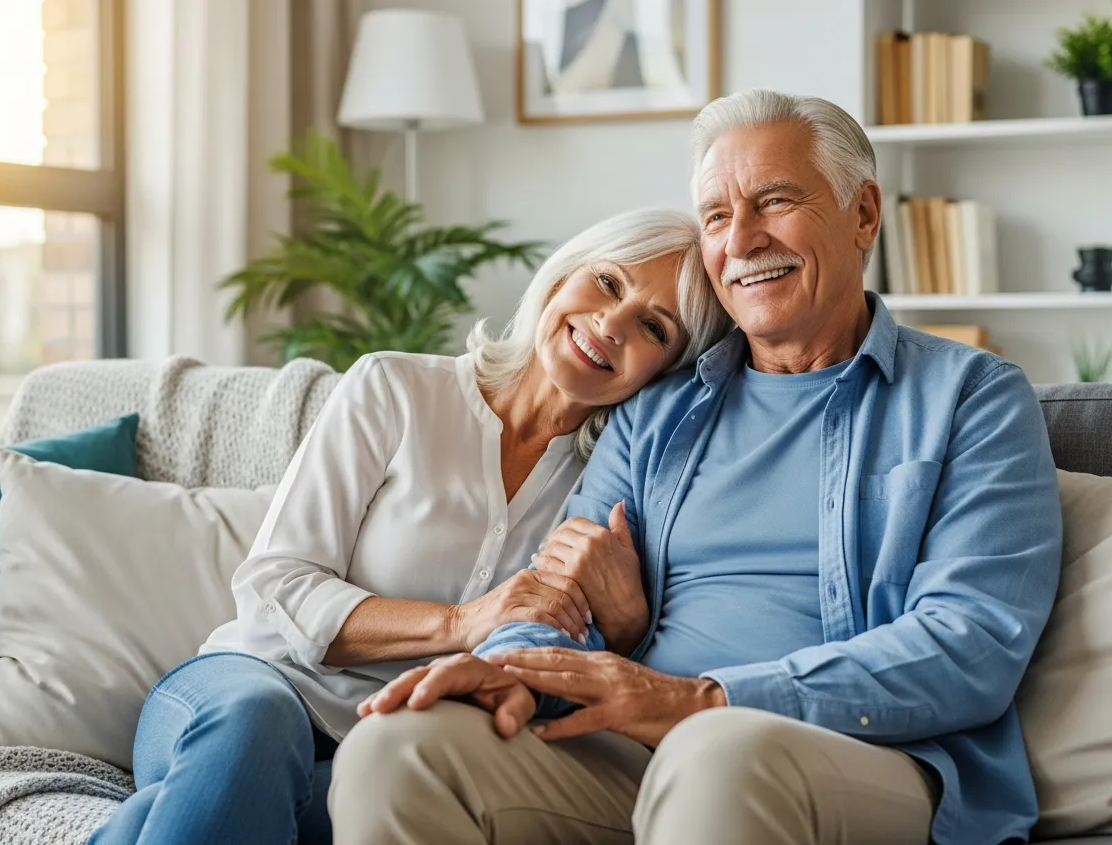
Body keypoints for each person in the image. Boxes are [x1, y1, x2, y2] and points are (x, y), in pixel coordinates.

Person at [334, 89, 1064, 845]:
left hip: (863, 754)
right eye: (717, 216)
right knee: (398, 749)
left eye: (773, 201)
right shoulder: (656, 412)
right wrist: (511, 667)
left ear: (864, 216)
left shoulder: (971, 399)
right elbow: (558, 600)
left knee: (717, 754)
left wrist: (704, 699)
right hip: (635, 741)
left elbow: (970, 643)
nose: (741, 241)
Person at [88, 207, 731, 845]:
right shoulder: (394, 388)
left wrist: (625, 625)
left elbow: (567, 663)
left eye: (653, 326)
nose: (611, 324)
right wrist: (458, 624)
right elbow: (273, 587)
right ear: (562, 277)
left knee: (304, 812)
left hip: (383, 743)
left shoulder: (609, 492)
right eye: (609, 283)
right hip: (240, 690)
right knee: (256, 730)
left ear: (667, 369)